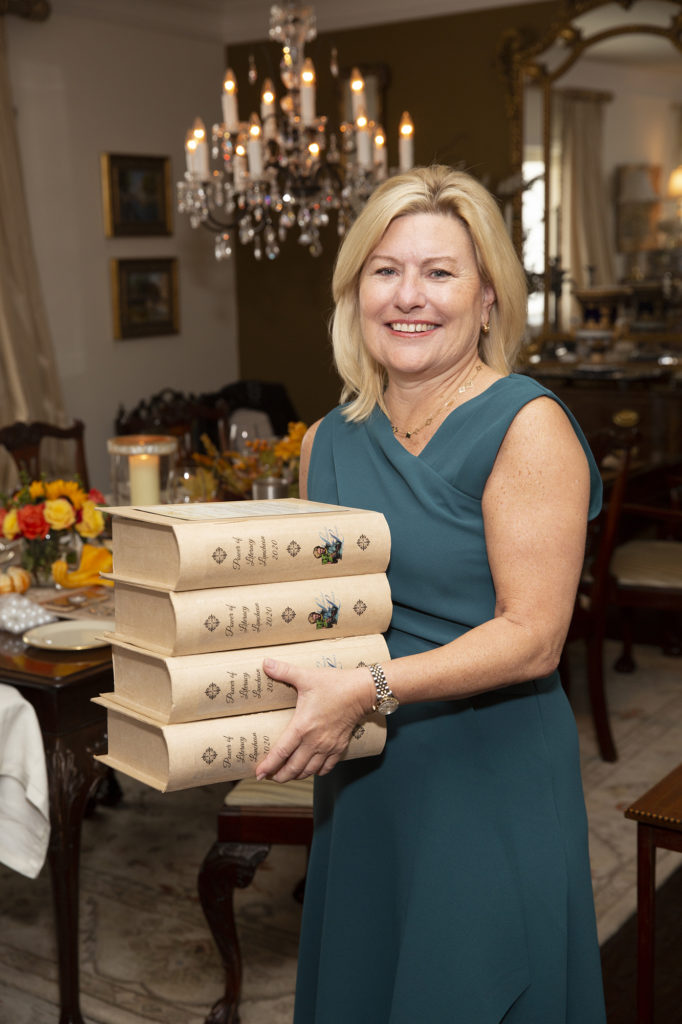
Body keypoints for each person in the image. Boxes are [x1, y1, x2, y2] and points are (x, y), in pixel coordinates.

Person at [255, 165, 606, 1023]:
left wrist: (369, 690)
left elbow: (532, 637)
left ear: (487, 297)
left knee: (469, 984)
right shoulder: (325, 441)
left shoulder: (527, 426)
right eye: (386, 270)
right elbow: (318, 612)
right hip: (367, 771)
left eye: (440, 272)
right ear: (355, 292)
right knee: (371, 983)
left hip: (486, 768)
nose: (409, 296)